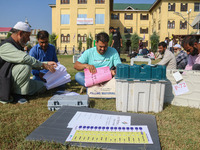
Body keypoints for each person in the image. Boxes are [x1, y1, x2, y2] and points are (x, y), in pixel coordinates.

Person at [0, 21, 57, 104]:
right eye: (27, 36)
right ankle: (18, 95)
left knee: (43, 86)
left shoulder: (17, 45)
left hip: (14, 81)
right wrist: (43, 65)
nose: (29, 39)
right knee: (25, 67)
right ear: (20, 33)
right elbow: (25, 59)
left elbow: (29, 61)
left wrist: (47, 63)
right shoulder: (6, 46)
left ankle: (20, 91)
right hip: (4, 82)